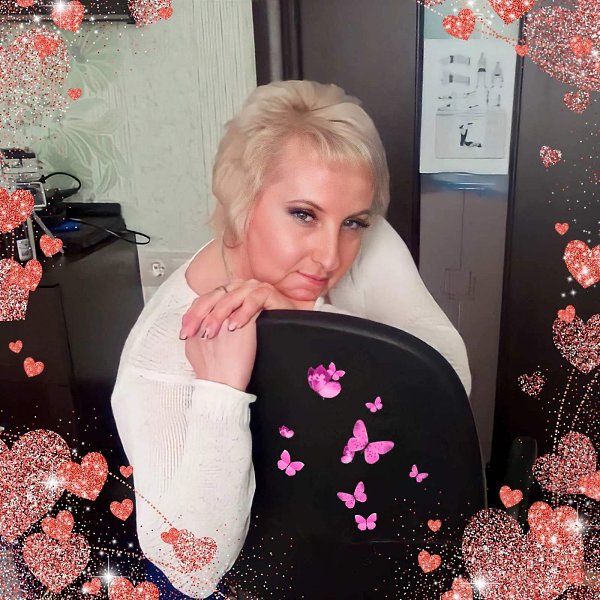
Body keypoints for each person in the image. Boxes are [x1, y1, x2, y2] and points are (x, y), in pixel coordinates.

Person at [111, 80, 472, 599]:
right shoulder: (159, 357)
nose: (330, 256)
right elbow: (192, 569)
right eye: (303, 214)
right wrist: (220, 393)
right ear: (241, 201)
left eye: (353, 222)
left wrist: (305, 326)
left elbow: (448, 381)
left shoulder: (361, 240)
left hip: (360, 536)